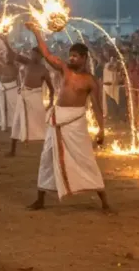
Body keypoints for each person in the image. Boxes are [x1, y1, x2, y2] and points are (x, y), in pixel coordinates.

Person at [27, 23, 109, 211]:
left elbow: (96, 106)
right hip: (57, 120)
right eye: (70, 55)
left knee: (85, 159)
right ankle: (40, 199)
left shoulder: (90, 80)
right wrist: (37, 33)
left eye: (75, 56)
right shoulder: (64, 69)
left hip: (75, 123)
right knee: (46, 157)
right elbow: (47, 54)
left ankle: (104, 200)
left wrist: (101, 129)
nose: (71, 58)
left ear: (84, 58)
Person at [0, 34, 54, 156]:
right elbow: (13, 55)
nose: (32, 55)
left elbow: (51, 88)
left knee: (40, 122)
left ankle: (47, 149)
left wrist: (51, 102)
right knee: (17, 122)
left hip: (35, 96)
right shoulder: (27, 63)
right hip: (23, 95)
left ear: (40, 56)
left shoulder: (44, 70)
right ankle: (12, 150)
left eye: (35, 54)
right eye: (31, 53)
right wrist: (6, 41)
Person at [0, 49, 19, 135]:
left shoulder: (16, 66)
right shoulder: (2, 65)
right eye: (6, 57)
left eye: (9, 57)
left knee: (13, 108)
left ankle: (14, 128)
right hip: (1, 88)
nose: (7, 58)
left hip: (12, 88)